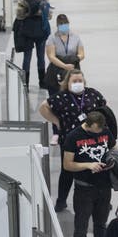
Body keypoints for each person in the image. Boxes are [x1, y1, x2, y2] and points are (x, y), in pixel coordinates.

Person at [39, 70, 108, 212]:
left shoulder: (92, 94)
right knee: (67, 171)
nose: (78, 84)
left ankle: (102, 197)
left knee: (97, 169)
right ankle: (61, 200)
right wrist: (57, 122)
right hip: (69, 140)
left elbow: (104, 109)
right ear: (67, 83)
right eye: (74, 81)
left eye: (80, 81)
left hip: (92, 140)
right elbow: (43, 107)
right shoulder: (60, 97)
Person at [63, 111, 117, 237]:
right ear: (87, 125)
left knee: (101, 225)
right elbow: (67, 165)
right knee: (81, 226)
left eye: (100, 131)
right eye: (95, 132)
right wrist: (88, 165)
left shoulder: (105, 131)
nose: (98, 134)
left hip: (104, 187)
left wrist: (112, 160)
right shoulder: (73, 137)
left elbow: (114, 149)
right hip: (84, 189)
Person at [45, 14, 85, 144]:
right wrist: (64, 66)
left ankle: (75, 129)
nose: (64, 27)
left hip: (72, 72)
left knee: (75, 101)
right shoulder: (52, 39)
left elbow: (81, 53)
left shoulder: (75, 37)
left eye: (66, 24)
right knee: (56, 104)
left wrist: (75, 60)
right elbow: (51, 56)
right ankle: (56, 132)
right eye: (61, 25)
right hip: (56, 71)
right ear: (57, 26)